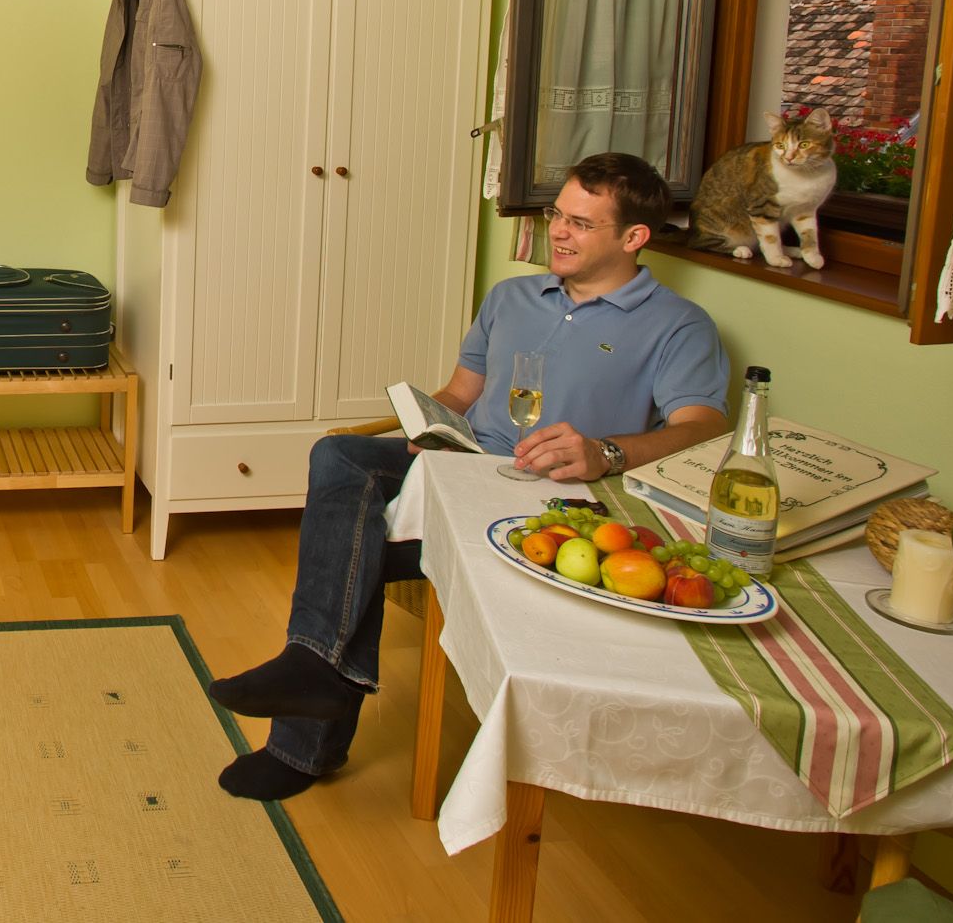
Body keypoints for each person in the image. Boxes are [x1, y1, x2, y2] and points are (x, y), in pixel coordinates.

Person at [207, 152, 729, 802]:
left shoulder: (678, 326)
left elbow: (704, 427)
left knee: (350, 549)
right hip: (459, 474)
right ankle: (313, 671)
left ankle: (304, 728)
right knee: (338, 457)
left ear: (633, 238)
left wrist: (607, 453)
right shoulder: (511, 297)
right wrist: (427, 425)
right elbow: (458, 393)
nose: (558, 232)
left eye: (580, 223)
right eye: (556, 215)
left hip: (554, 511)